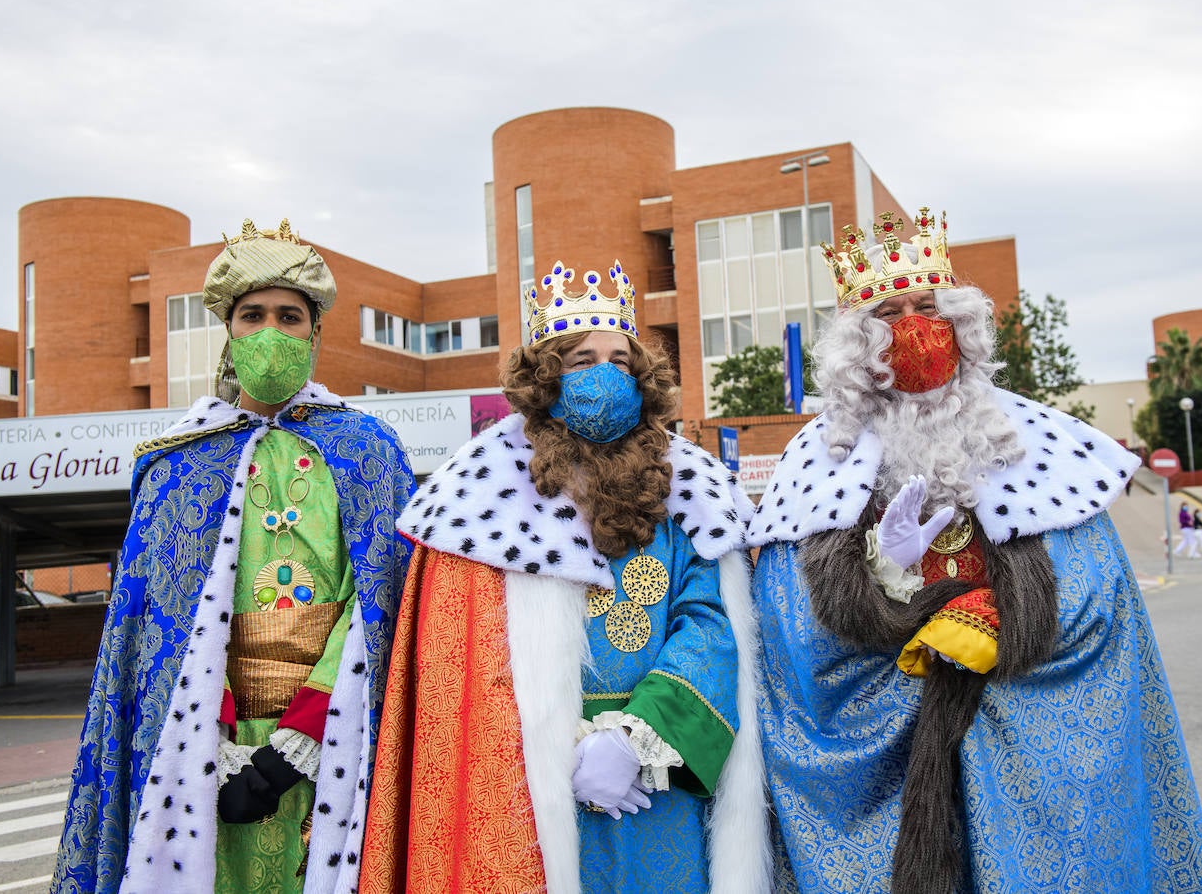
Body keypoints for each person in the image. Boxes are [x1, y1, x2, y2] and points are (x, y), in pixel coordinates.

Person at [747, 208, 1202, 893]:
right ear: (858, 341)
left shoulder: (1036, 440)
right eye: (891, 313)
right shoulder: (817, 459)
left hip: (1023, 734)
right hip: (883, 740)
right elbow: (789, 621)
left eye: (927, 307)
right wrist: (885, 580)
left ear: (959, 321)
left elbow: (1095, 584)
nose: (914, 326)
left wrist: (1003, 619)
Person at [359, 259, 768, 893]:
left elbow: (710, 623)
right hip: (524, 783)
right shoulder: (481, 497)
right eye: (582, 361)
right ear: (546, 379)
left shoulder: (686, 490)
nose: (605, 375)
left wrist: (636, 740)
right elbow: (460, 667)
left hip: (661, 779)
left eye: (620, 362)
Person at [52, 220, 416, 894]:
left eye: (289, 316)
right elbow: (162, 623)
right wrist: (215, 745)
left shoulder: (369, 450)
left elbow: (383, 603)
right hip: (203, 746)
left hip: (335, 735)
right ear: (228, 328)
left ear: (315, 332)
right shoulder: (176, 464)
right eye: (253, 315)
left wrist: (292, 749)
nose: (270, 331)